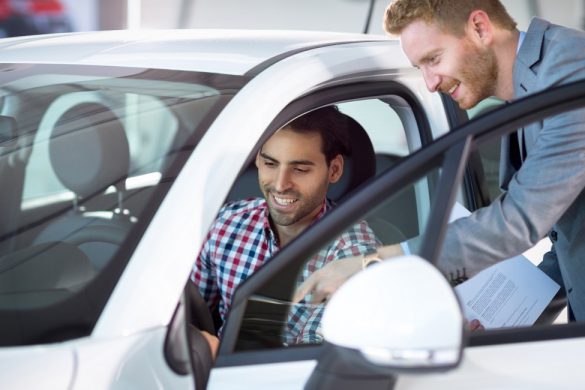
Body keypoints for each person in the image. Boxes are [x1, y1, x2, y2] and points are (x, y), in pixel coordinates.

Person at [295, 0, 585, 323]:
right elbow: (571, 240)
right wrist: (503, 322)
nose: (431, 84)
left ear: (480, 28)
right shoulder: (533, 84)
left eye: (433, 59)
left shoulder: (572, 71)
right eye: (420, 68)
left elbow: (520, 220)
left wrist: (376, 265)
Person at [191, 105, 380, 347]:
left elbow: (309, 362)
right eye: (270, 164)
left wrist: (215, 356)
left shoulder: (352, 253)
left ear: (334, 170)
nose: (280, 185)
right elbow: (188, 310)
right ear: (258, 159)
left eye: (299, 169)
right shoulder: (228, 222)